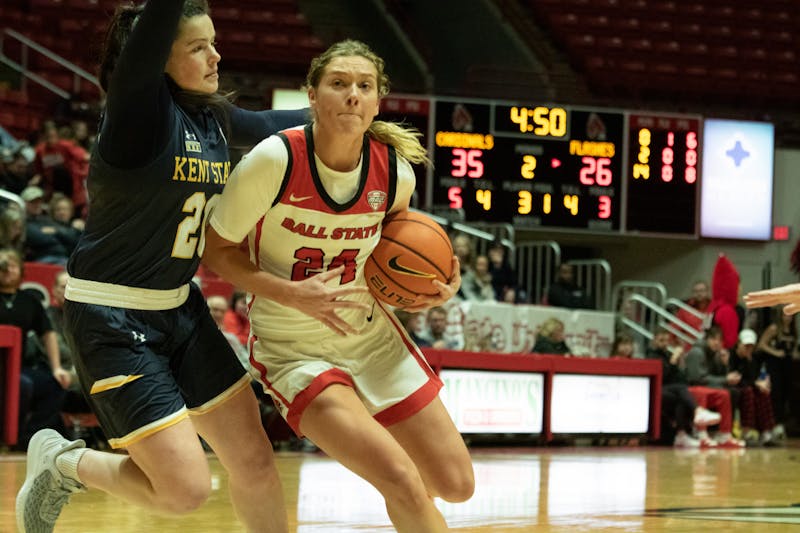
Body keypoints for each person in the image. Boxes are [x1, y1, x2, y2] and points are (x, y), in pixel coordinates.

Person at [16, 2, 309, 532]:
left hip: (180, 308)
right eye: (198, 47)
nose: (216, 55)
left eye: (213, 42)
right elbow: (149, 36)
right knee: (184, 490)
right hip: (111, 318)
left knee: (255, 459)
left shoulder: (210, 116)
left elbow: (270, 125)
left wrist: (346, 110)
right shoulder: (137, 116)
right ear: (156, 59)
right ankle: (64, 462)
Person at [203, 39, 475, 532]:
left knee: (456, 484)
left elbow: (392, 256)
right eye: (339, 84)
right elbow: (216, 251)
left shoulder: (395, 174)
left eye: (364, 86)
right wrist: (288, 292)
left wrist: (429, 288)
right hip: (293, 347)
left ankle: (408, 502)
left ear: (377, 102)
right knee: (399, 477)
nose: (352, 95)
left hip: (370, 337)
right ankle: (405, 497)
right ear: (312, 96)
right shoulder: (275, 161)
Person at [0, 248, 72, 450]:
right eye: (3, 266)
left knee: (54, 385)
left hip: (18, 367)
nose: (8, 270)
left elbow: (48, 333)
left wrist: (57, 367)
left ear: (21, 270)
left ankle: (26, 438)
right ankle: (6, 435)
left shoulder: (29, 301)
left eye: (12, 265)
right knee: (22, 385)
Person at [645, 328, 721, 447]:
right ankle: (698, 411)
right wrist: (673, 361)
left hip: (670, 389)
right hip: (655, 389)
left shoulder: (667, 354)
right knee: (680, 389)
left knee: (681, 393)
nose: (664, 343)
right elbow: (661, 376)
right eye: (661, 340)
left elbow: (679, 377)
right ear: (654, 340)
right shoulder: (650, 355)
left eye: (666, 340)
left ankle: (681, 434)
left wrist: (679, 363)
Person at [684, 326, 746, 448]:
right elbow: (696, 378)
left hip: (704, 387)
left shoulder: (715, 354)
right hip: (690, 389)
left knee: (725, 394)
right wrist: (725, 379)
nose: (717, 343)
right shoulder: (697, 352)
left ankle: (724, 434)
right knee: (702, 392)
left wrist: (725, 365)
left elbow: (718, 376)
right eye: (714, 339)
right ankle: (700, 434)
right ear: (707, 339)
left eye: (719, 340)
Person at [754, 308, 798, 440]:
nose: (788, 318)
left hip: (788, 366)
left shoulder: (793, 330)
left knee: (787, 394)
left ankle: (782, 425)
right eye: (786, 315)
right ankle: (774, 424)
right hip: (774, 365)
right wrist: (775, 352)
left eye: (791, 316)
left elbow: (793, 346)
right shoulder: (774, 329)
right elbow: (761, 345)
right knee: (776, 394)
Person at [732, 329, 779, 446]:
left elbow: (754, 377)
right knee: (749, 392)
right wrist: (755, 384)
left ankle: (766, 431)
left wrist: (760, 383)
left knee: (763, 393)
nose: (748, 349)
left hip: (748, 386)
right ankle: (746, 430)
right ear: (739, 344)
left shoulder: (752, 359)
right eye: (746, 346)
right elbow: (736, 378)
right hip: (736, 387)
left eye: (751, 347)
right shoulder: (731, 357)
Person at [21, 185, 79, 265]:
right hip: (43, 260)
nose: (37, 204)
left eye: (39, 201)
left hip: (64, 259)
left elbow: (73, 238)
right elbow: (39, 238)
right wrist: (61, 237)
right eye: (33, 202)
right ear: (24, 203)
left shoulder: (47, 220)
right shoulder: (22, 221)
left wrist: (56, 231)